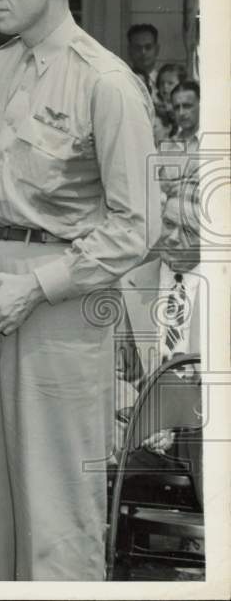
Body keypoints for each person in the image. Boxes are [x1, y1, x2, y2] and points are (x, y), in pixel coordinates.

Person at [0, 0, 159, 581]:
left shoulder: (106, 81)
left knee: (56, 510)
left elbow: (138, 225)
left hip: (57, 304)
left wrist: (38, 284)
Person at [114, 177, 204, 498]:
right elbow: (112, 370)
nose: (173, 237)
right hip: (139, 427)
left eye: (189, 232)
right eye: (168, 223)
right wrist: (143, 415)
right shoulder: (129, 282)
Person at [126, 22, 161, 96]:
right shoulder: (124, 80)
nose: (143, 52)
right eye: (137, 48)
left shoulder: (166, 81)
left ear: (157, 50)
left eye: (148, 47)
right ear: (129, 50)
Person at [170, 80, 201, 149]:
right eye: (177, 107)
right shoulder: (165, 148)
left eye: (187, 106)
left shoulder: (215, 141)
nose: (181, 113)